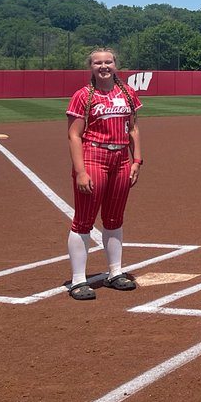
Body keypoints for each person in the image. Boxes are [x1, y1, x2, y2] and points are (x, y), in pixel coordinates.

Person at [63, 49, 144, 301]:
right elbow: (74, 135)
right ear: (91, 67)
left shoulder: (128, 93)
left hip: (121, 159)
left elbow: (134, 128)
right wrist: (80, 171)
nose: (104, 66)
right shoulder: (83, 96)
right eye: (98, 63)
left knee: (114, 217)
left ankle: (115, 272)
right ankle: (78, 281)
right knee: (84, 220)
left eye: (108, 61)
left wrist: (137, 160)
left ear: (116, 65)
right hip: (93, 156)